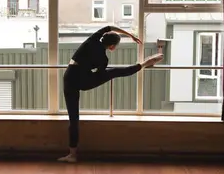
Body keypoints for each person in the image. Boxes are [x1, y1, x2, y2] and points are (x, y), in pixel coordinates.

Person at [58, 26, 164, 163]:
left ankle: (72, 155)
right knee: (113, 72)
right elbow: (101, 74)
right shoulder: (103, 59)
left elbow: (110, 27)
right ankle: (143, 64)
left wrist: (129, 35)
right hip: (84, 81)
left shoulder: (93, 39)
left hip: (70, 77)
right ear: (112, 47)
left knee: (74, 119)